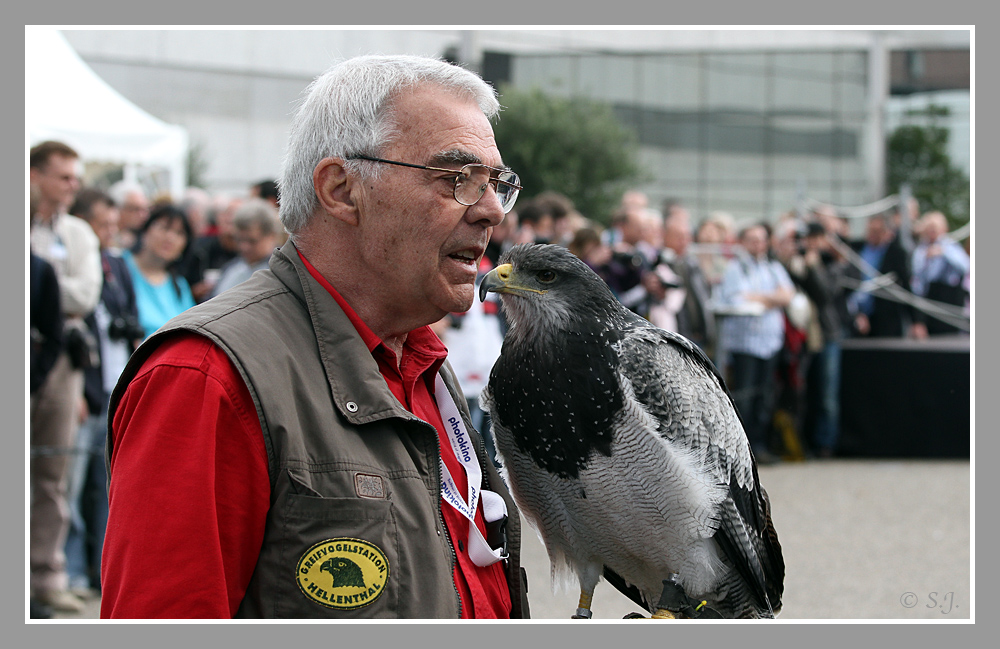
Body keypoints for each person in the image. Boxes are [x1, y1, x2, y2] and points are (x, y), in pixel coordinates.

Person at [102, 54, 529, 619]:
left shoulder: (418, 360)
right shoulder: (206, 377)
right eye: (458, 179)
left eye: (497, 183)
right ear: (341, 189)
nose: (493, 211)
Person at [29, 140, 103, 613]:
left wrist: (43, 286)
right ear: (34, 174)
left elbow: (85, 294)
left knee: (53, 472)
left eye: (76, 177)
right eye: (64, 176)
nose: (73, 186)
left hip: (60, 362)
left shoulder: (77, 232)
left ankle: (45, 574)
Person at [62, 188, 142, 597]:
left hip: (117, 387)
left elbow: (128, 317)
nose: (110, 232)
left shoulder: (117, 264)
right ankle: (70, 571)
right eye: (102, 225)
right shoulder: (74, 264)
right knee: (68, 487)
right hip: (85, 388)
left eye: (114, 225)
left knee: (108, 487)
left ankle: (98, 574)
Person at [715, 223, 795, 464]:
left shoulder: (773, 268)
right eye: (752, 239)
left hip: (769, 342)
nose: (757, 245)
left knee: (764, 396)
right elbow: (738, 298)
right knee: (745, 397)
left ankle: (759, 445)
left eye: (761, 240)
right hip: (745, 344)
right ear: (742, 242)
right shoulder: (735, 269)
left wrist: (761, 298)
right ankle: (742, 451)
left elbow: (788, 295)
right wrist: (773, 298)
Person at [121, 203, 196, 339]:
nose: (170, 237)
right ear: (145, 230)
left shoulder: (179, 285)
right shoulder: (118, 267)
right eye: (165, 228)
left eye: (179, 233)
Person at [846, 213, 916, 338]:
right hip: (858, 316)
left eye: (877, 231)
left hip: (886, 318)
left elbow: (905, 286)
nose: (872, 235)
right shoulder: (858, 249)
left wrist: (917, 321)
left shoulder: (896, 253)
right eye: (870, 230)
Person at [910, 211, 970, 336]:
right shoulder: (921, 250)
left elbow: (965, 266)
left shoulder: (951, 246)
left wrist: (944, 253)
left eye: (935, 227)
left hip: (950, 298)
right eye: (930, 228)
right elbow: (917, 278)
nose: (932, 231)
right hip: (929, 299)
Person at [210, 198, 283, 297]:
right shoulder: (231, 269)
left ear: (271, 236)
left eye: (252, 241)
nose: (244, 247)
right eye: (240, 240)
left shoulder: (282, 272)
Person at [108, 180, 150, 250]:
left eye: (145, 209)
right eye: (135, 209)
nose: (143, 215)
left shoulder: (145, 238)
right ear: (117, 209)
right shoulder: (107, 238)